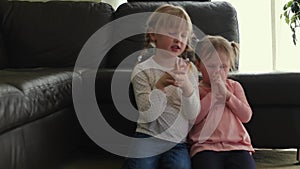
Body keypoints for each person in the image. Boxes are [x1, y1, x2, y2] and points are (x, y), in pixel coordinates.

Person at [122, 4, 200, 169]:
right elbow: (148, 115)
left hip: (177, 142)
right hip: (147, 136)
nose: (178, 39)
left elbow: (192, 114)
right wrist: (159, 87)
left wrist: (186, 86)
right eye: (172, 33)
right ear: (153, 34)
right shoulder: (142, 70)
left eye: (184, 35)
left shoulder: (190, 70)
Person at [188, 35, 256, 169]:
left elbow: (246, 116)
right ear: (198, 65)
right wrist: (214, 95)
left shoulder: (234, 87)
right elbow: (194, 119)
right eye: (212, 66)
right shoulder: (195, 89)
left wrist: (227, 96)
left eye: (223, 67)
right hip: (205, 147)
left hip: (237, 146)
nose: (217, 72)